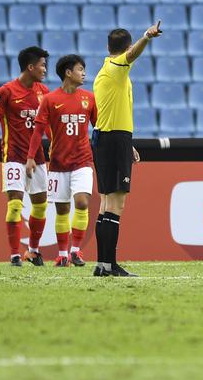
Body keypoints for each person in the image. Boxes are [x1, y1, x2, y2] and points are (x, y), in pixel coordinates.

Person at [91, 23, 158, 277]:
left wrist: (128, 143)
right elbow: (132, 55)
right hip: (114, 140)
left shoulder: (104, 73)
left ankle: (102, 265)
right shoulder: (117, 68)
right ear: (126, 48)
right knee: (116, 204)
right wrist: (147, 37)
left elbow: (110, 111)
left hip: (107, 137)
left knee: (106, 203)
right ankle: (110, 265)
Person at [25, 54, 96, 267]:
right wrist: (30, 158)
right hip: (58, 164)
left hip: (82, 161)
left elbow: (99, 128)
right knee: (62, 210)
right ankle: (63, 254)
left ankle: (76, 251)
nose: (84, 73)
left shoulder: (89, 98)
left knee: (82, 202)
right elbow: (38, 131)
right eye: (80, 69)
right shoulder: (50, 100)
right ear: (68, 72)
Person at [0, 45, 50, 266]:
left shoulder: (44, 92)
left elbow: (48, 126)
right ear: (30, 67)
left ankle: (32, 250)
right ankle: (14, 255)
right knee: (14, 204)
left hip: (38, 157)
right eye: (42, 65)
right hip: (13, 155)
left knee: (41, 205)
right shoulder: (5, 92)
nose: (45, 69)